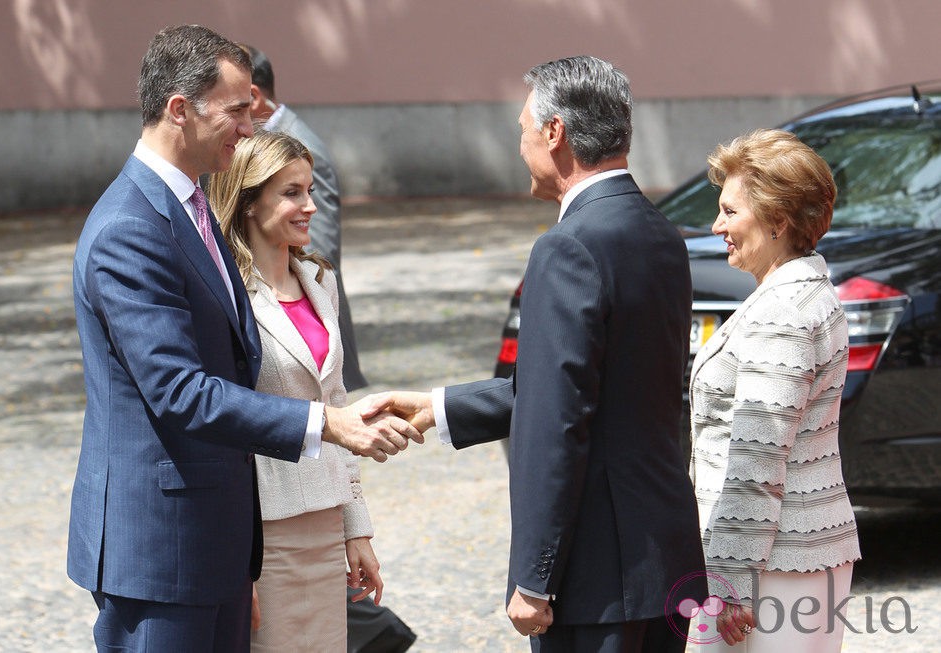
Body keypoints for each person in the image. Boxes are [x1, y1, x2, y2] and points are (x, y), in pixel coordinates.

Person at [67, 25, 419, 653]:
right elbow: (180, 391)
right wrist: (328, 424)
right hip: (162, 549)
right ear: (180, 109)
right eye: (236, 110)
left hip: (218, 542)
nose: (251, 127)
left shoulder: (191, 208)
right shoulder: (130, 227)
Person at [363, 56, 707, 652]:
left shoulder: (568, 248)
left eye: (523, 127)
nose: (520, 142)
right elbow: (592, 388)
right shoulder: (660, 232)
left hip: (599, 573)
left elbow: (558, 421)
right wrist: (441, 407)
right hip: (661, 556)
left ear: (556, 133)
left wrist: (534, 577)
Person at [687, 129, 862, 650]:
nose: (717, 226)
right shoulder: (808, 292)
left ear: (778, 221)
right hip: (795, 558)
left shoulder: (782, 312)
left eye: (729, 212)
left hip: (772, 570)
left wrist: (730, 583)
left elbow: (758, 455)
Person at [208, 130, 381, 651]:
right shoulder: (225, 294)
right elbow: (221, 422)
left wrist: (357, 526)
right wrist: (233, 564)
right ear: (248, 199)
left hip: (326, 525)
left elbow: (337, 408)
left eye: (309, 190)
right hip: (265, 532)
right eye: (291, 193)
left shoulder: (319, 280)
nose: (310, 205)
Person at [240, 43, 367, 392]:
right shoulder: (231, 289)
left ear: (252, 96)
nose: (309, 204)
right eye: (293, 192)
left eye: (231, 102)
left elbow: (319, 247)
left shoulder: (299, 145)